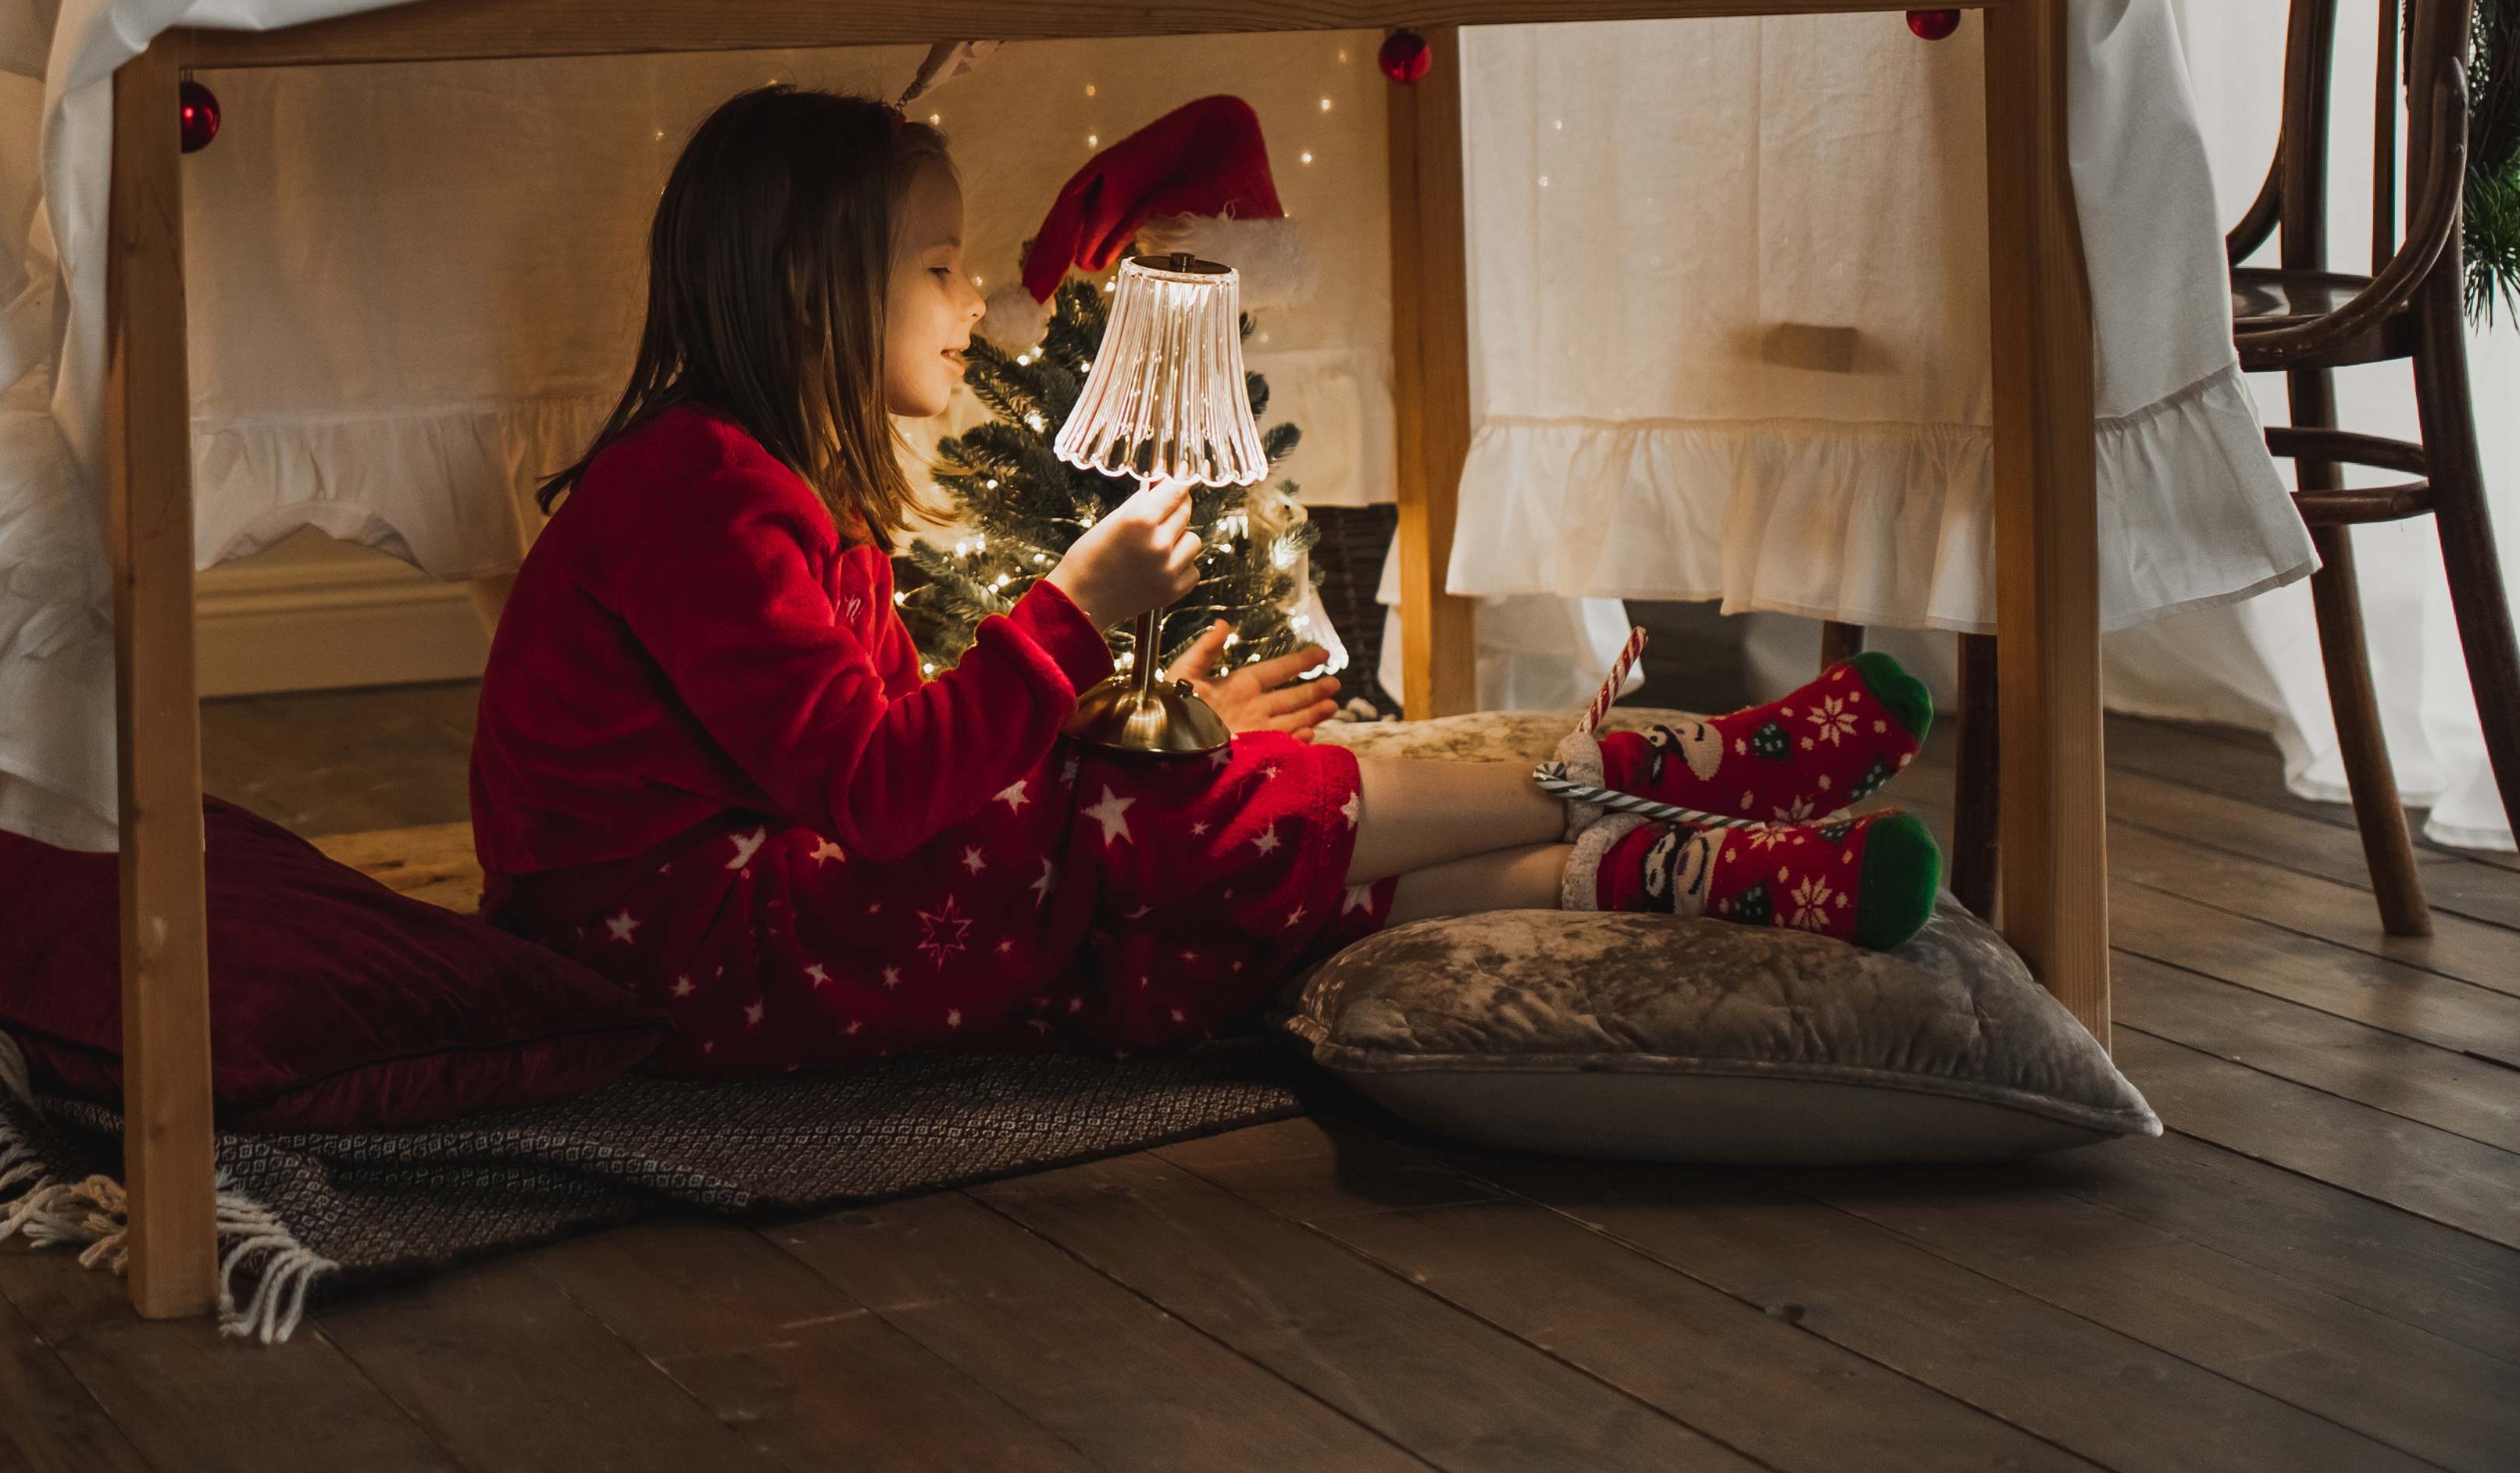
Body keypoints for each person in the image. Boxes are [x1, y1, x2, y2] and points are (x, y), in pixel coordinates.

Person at [466, 87, 1941, 1074]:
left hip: (731, 932)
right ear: (812, 290)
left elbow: (867, 767)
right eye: (938, 265)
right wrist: (1074, 614)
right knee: (1146, 820)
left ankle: (1693, 876)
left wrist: (1110, 708)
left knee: (1181, 891)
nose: (975, 297)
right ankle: (1676, 769)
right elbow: (873, 791)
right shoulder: (699, 493)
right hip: (684, 956)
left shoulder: (767, 490)